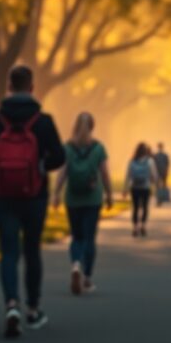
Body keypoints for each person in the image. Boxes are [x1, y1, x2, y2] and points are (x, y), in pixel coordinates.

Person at [0, 65, 65, 338]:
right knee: (32, 251)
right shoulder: (43, 121)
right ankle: (33, 309)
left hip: (3, 196)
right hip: (35, 196)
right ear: (32, 87)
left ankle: (11, 304)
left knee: (9, 252)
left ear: (9, 87)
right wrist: (41, 166)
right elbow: (60, 156)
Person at [52, 112, 113, 296]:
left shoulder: (68, 147)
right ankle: (86, 278)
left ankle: (76, 264)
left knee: (76, 236)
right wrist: (109, 194)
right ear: (92, 127)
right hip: (92, 199)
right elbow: (105, 174)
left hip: (73, 199)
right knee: (89, 238)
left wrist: (56, 194)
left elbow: (62, 172)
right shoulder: (99, 148)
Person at [124, 143, 159, 237]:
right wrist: (155, 183)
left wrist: (125, 189)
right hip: (145, 187)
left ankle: (135, 227)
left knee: (135, 208)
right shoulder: (150, 161)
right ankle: (143, 226)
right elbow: (154, 175)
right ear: (146, 151)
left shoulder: (132, 161)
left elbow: (128, 176)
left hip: (134, 187)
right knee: (145, 207)